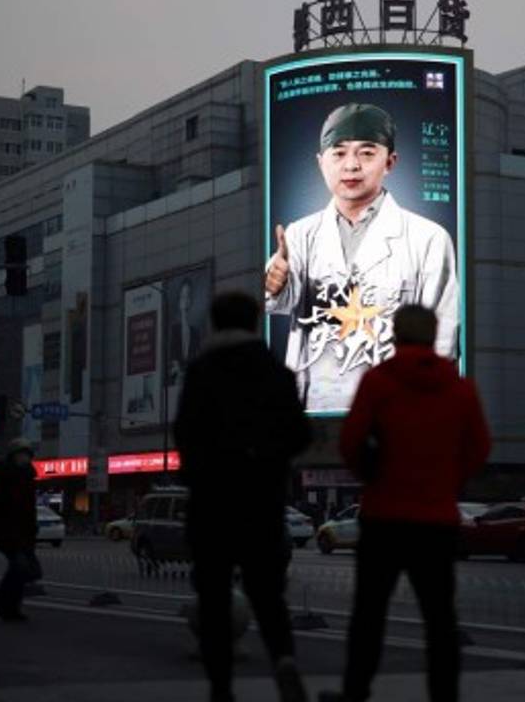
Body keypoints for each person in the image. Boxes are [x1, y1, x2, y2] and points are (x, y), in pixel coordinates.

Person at [319, 305, 491, 702]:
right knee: (440, 620)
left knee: (369, 615)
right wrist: (448, 481)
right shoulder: (461, 388)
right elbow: (479, 447)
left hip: (384, 517)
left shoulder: (379, 382)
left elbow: (349, 443)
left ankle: (355, 691)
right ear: (434, 336)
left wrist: (375, 477)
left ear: (395, 335)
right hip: (437, 520)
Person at [265, 103, 459, 413]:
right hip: (317, 408)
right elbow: (280, 301)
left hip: (398, 410)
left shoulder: (429, 238)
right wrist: (276, 283)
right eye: (338, 153)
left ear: (390, 162)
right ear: (320, 162)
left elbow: (444, 336)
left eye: (367, 153)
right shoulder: (299, 234)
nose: (351, 165)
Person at [174, 291, 313, 702]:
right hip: (261, 502)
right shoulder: (275, 372)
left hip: (212, 503)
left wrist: (204, 468)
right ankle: (284, 659)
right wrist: (266, 459)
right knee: (268, 594)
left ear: (215, 324)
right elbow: (300, 435)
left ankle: (221, 687)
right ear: (255, 323)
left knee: (215, 598)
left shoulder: (201, 372)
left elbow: (185, 434)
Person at [0, 437, 39, 621]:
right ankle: (3, 603)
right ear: (14, 456)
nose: (25, 458)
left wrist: (33, 528)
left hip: (25, 531)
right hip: (7, 530)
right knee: (20, 567)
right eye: (22, 454)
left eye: (27, 455)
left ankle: (11, 607)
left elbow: (30, 508)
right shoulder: (3, 475)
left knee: (25, 570)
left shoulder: (29, 476)